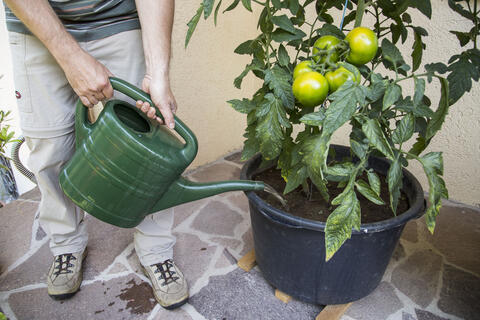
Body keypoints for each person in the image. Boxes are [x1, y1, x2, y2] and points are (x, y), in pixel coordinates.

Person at [4, 0, 188, 310]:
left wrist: (158, 74)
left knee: (149, 146)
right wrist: (71, 59)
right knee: (51, 148)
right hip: (35, 25)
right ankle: (67, 244)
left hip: (119, 20)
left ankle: (156, 250)